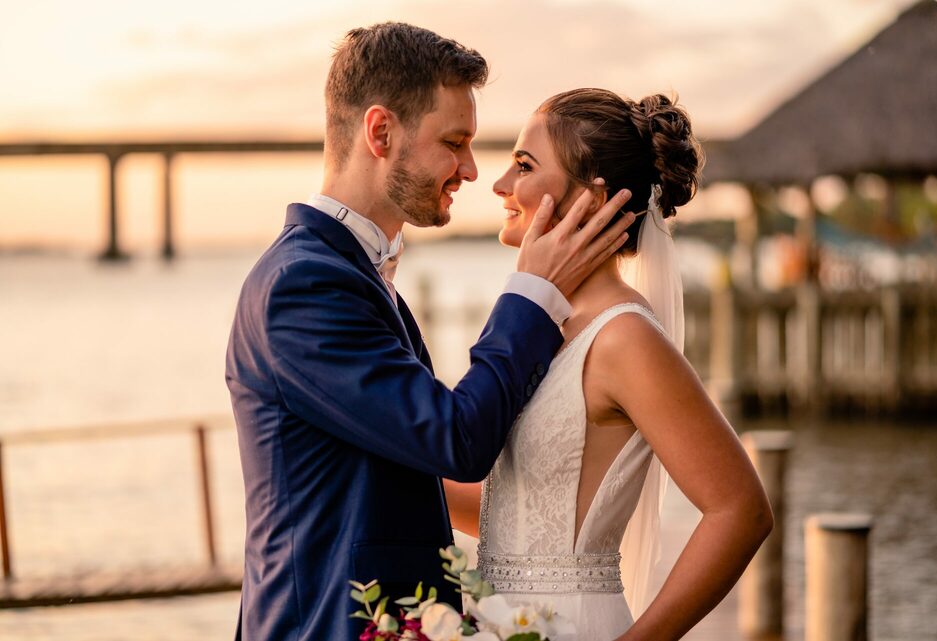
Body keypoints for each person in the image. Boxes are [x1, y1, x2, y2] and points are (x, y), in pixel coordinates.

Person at [224, 25, 636, 641]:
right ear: (381, 132)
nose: (472, 170)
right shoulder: (303, 285)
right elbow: (454, 440)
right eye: (454, 142)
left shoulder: (353, 273)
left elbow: (409, 470)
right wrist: (532, 293)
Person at [444, 89, 773, 641]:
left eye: (524, 166)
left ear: (593, 198)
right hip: (497, 620)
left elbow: (740, 510)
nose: (499, 185)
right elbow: (520, 511)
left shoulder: (624, 338)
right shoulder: (537, 328)